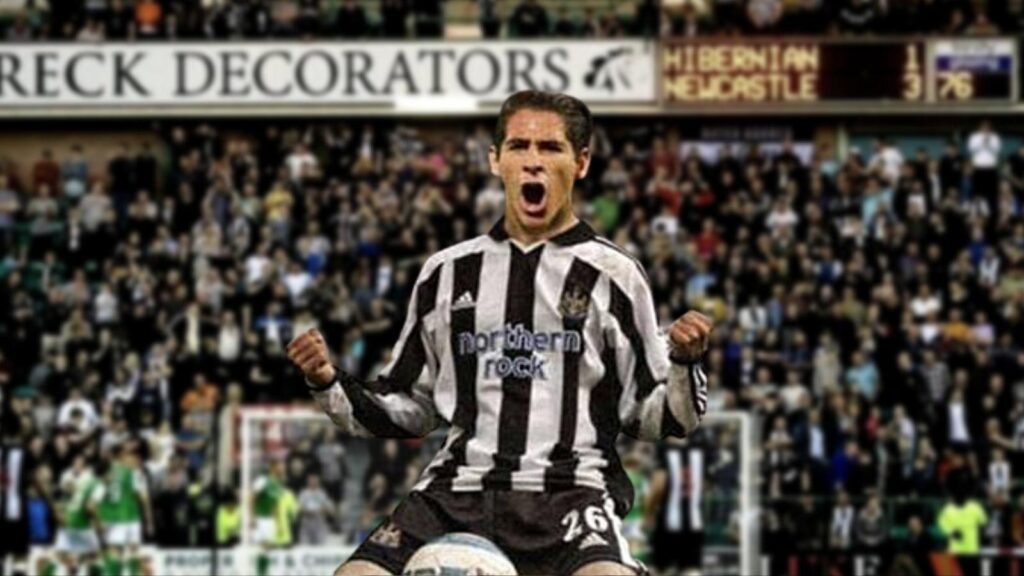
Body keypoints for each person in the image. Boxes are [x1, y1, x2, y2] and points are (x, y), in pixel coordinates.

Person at [287, 90, 714, 576]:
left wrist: (685, 363)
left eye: (550, 147)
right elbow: (410, 405)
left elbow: (656, 417)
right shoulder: (446, 272)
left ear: (581, 163)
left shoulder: (614, 274)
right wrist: (326, 380)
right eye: (518, 146)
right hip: (455, 491)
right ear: (496, 160)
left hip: (569, 491)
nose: (533, 161)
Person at [99, 442, 154, 576]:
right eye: (129, 455)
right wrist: (149, 521)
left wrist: (100, 520)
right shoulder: (134, 472)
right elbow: (143, 498)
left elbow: (99, 496)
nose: (133, 459)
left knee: (114, 552)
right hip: (130, 517)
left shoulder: (108, 473)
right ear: (122, 457)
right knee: (133, 551)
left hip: (111, 517)